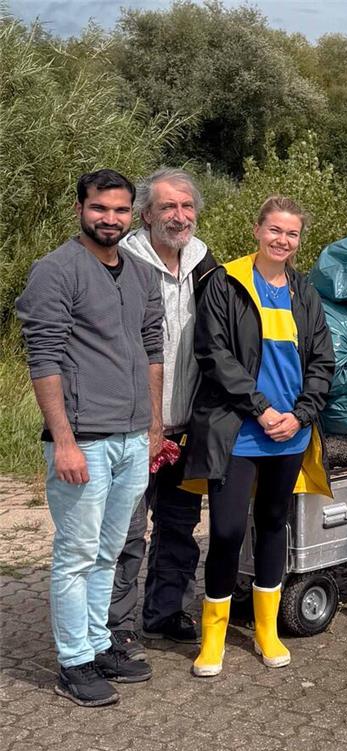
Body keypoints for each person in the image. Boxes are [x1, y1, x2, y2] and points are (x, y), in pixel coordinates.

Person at [16, 169, 162, 706]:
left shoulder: (141, 273)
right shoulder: (55, 271)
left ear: (133, 216)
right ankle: (73, 662)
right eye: (100, 208)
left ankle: (99, 644)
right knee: (76, 553)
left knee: (109, 550)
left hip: (132, 437)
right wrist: (64, 440)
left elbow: (152, 349)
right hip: (84, 440)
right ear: (80, 208)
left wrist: (153, 427)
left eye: (120, 210)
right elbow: (44, 358)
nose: (110, 219)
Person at [185, 196, 334, 677]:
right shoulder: (226, 282)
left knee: (273, 526)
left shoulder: (304, 291)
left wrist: (301, 415)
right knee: (227, 531)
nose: (282, 240)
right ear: (257, 230)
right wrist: (262, 409)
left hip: (290, 433)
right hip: (240, 430)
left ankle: (267, 631)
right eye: (274, 230)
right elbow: (214, 354)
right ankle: (214, 637)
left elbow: (322, 361)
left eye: (291, 234)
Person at [107, 169, 217, 659]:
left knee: (179, 526)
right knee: (125, 533)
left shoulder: (204, 263)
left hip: (187, 425)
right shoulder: (122, 263)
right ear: (146, 214)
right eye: (168, 206)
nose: (179, 216)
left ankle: (165, 612)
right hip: (130, 426)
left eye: (187, 206)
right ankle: (113, 627)